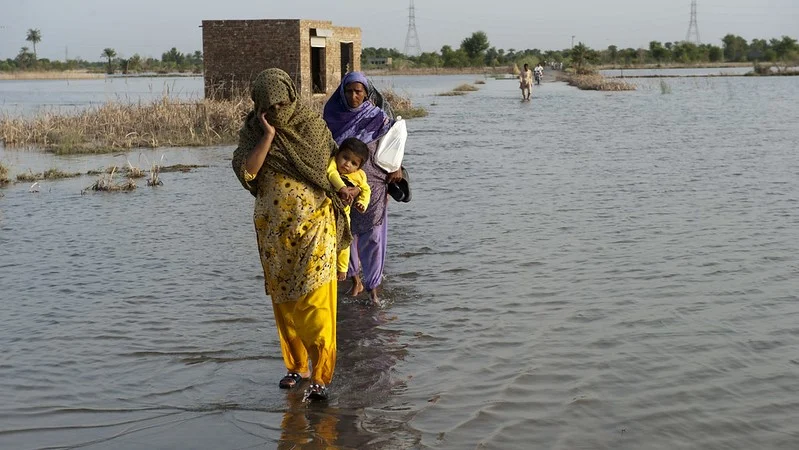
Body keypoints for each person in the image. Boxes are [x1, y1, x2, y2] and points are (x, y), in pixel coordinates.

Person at [232, 68, 350, 402]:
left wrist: (346, 190)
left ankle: (322, 375)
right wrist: (268, 136)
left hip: (315, 229)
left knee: (314, 304)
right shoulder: (253, 133)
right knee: (285, 304)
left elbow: (327, 168)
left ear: (291, 97)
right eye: (268, 107)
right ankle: (297, 366)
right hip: (274, 237)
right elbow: (248, 172)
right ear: (258, 106)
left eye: (281, 103)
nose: (276, 111)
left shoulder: (311, 126)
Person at [323, 71, 402, 304]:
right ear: (342, 92)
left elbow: (392, 147)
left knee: (373, 236)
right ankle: (355, 279)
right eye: (349, 91)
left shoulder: (377, 117)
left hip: (374, 185)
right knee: (344, 233)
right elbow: (325, 151)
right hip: (341, 186)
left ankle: (373, 286)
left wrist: (397, 168)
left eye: (358, 91)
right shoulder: (331, 115)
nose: (353, 96)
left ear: (366, 94)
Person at [326, 137, 372, 282]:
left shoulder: (359, 175)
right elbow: (331, 174)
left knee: (344, 241)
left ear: (359, 167)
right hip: (326, 209)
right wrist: (342, 188)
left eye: (353, 163)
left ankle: (343, 269)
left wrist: (362, 203)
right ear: (338, 154)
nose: (347, 164)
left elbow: (366, 190)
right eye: (345, 158)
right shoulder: (332, 163)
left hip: (344, 212)